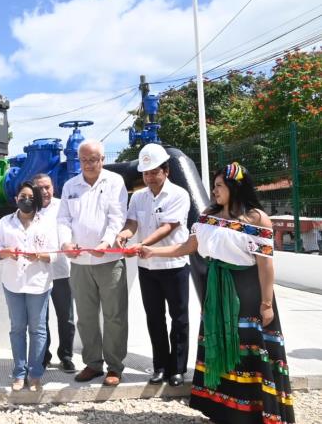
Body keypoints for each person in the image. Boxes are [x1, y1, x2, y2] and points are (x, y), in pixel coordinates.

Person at [140, 162, 295, 424]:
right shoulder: (208, 215)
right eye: (214, 186)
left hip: (246, 294)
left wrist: (266, 303)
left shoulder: (256, 219)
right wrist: (153, 251)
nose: (214, 191)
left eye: (219, 186)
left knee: (247, 351)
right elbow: (188, 246)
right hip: (217, 289)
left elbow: (266, 265)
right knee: (218, 345)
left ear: (235, 187)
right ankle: (224, 411)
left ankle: (253, 414)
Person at [116, 144, 190, 387]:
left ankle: (177, 369)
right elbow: (131, 223)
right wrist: (124, 235)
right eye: (145, 173)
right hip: (148, 268)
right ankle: (160, 366)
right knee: (154, 318)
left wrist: (141, 245)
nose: (149, 177)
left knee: (178, 318)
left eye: (153, 172)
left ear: (166, 170)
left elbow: (168, 227)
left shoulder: (179, 194)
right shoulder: (138, 196)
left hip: (174, 265)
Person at [57, 139, 129, 387]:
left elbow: (117, 216)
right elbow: (63, 219)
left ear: (102, 159)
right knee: (86, 317)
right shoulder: (70, 186)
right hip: (79, 263)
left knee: (114, 316)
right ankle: (93, 363)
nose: (88, 164)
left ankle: (115, 367)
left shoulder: (114, 182)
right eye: (84, 159)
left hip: (109, 260)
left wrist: (107, 242)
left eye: (93, 159)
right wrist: (66, 243)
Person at [0, 181, 57, 392]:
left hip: (39, 283)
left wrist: (39, 255)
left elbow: (55, 254)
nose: (26, 200)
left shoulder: (47, 222)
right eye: (22, 196)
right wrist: (7, 252)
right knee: (17, 329)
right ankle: (19, 373)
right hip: (13, 282)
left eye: (30, 197)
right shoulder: (5, 222)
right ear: (16, 199)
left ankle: (36, 373)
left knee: (38, 330)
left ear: (36, 200)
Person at [31, 173, 75, 373]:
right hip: (37, 273)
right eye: (39, 188)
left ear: (53, 187)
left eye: (47, 187)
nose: (44, 192)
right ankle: (44, 356)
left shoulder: (63, 207)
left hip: (62, 271)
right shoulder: (28, 209)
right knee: (41, 319)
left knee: (66, 317)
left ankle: (66, 356)